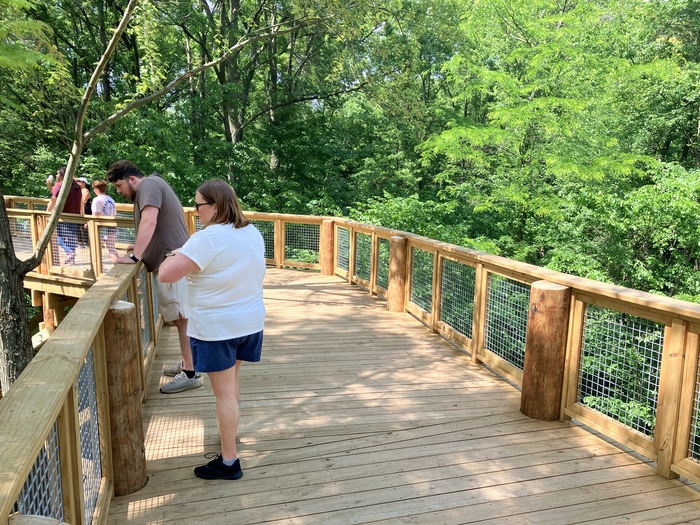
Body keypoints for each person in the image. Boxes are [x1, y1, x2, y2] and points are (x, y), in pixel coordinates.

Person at [159, 179, 266, 481]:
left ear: (215, 207)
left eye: (198, 206)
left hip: (219, 328)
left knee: (224, 395)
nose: (195, 212)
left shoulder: (207, 238)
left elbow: (167, 274)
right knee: (231, 386)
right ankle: (229, 437)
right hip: (250, 323)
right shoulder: (251, 232)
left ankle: (229, 461)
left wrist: (174, 254)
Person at [106, 160, 201, 394]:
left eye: (119, 185)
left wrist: (135, 257)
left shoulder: (148, 186)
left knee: (182, 318)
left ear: (132, 179)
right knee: (182, 317)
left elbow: (150, 221)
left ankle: (190, 373)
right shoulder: (155, 183)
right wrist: (138, 247)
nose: (119, 191)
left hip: (172, 261)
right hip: (172, 260)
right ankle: (189, 363)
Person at [46, 167, 82, 265]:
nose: (56, 175)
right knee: (71, 237)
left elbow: (53, 199)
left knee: (58, 237)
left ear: (62, 175)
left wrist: (47, 212)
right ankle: (71, 258)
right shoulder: (76, 187)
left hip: (62, 216)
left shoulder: (59, 185)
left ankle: (69, 252)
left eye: (57, 173)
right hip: (74, 216)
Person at [91, 180, 118, 257]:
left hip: (101, 226)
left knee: (96, 247)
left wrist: (88, 223)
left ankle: (97, 267)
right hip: (112, 225)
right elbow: (114, 214)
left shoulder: (96, 199)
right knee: (111, 248)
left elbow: (96, 214)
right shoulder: (110, 199)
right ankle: (118, 264)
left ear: (96, 189)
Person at [76, 177, 91, 247]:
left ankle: (86, 242)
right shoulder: (79, 190)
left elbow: (83, 201)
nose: (77, 182)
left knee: (85, 226)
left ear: (84, 183)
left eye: (79, 181)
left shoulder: (85, 190)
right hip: (80, 209)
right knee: (78, 226)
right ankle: (81, 242)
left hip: (85, 210)